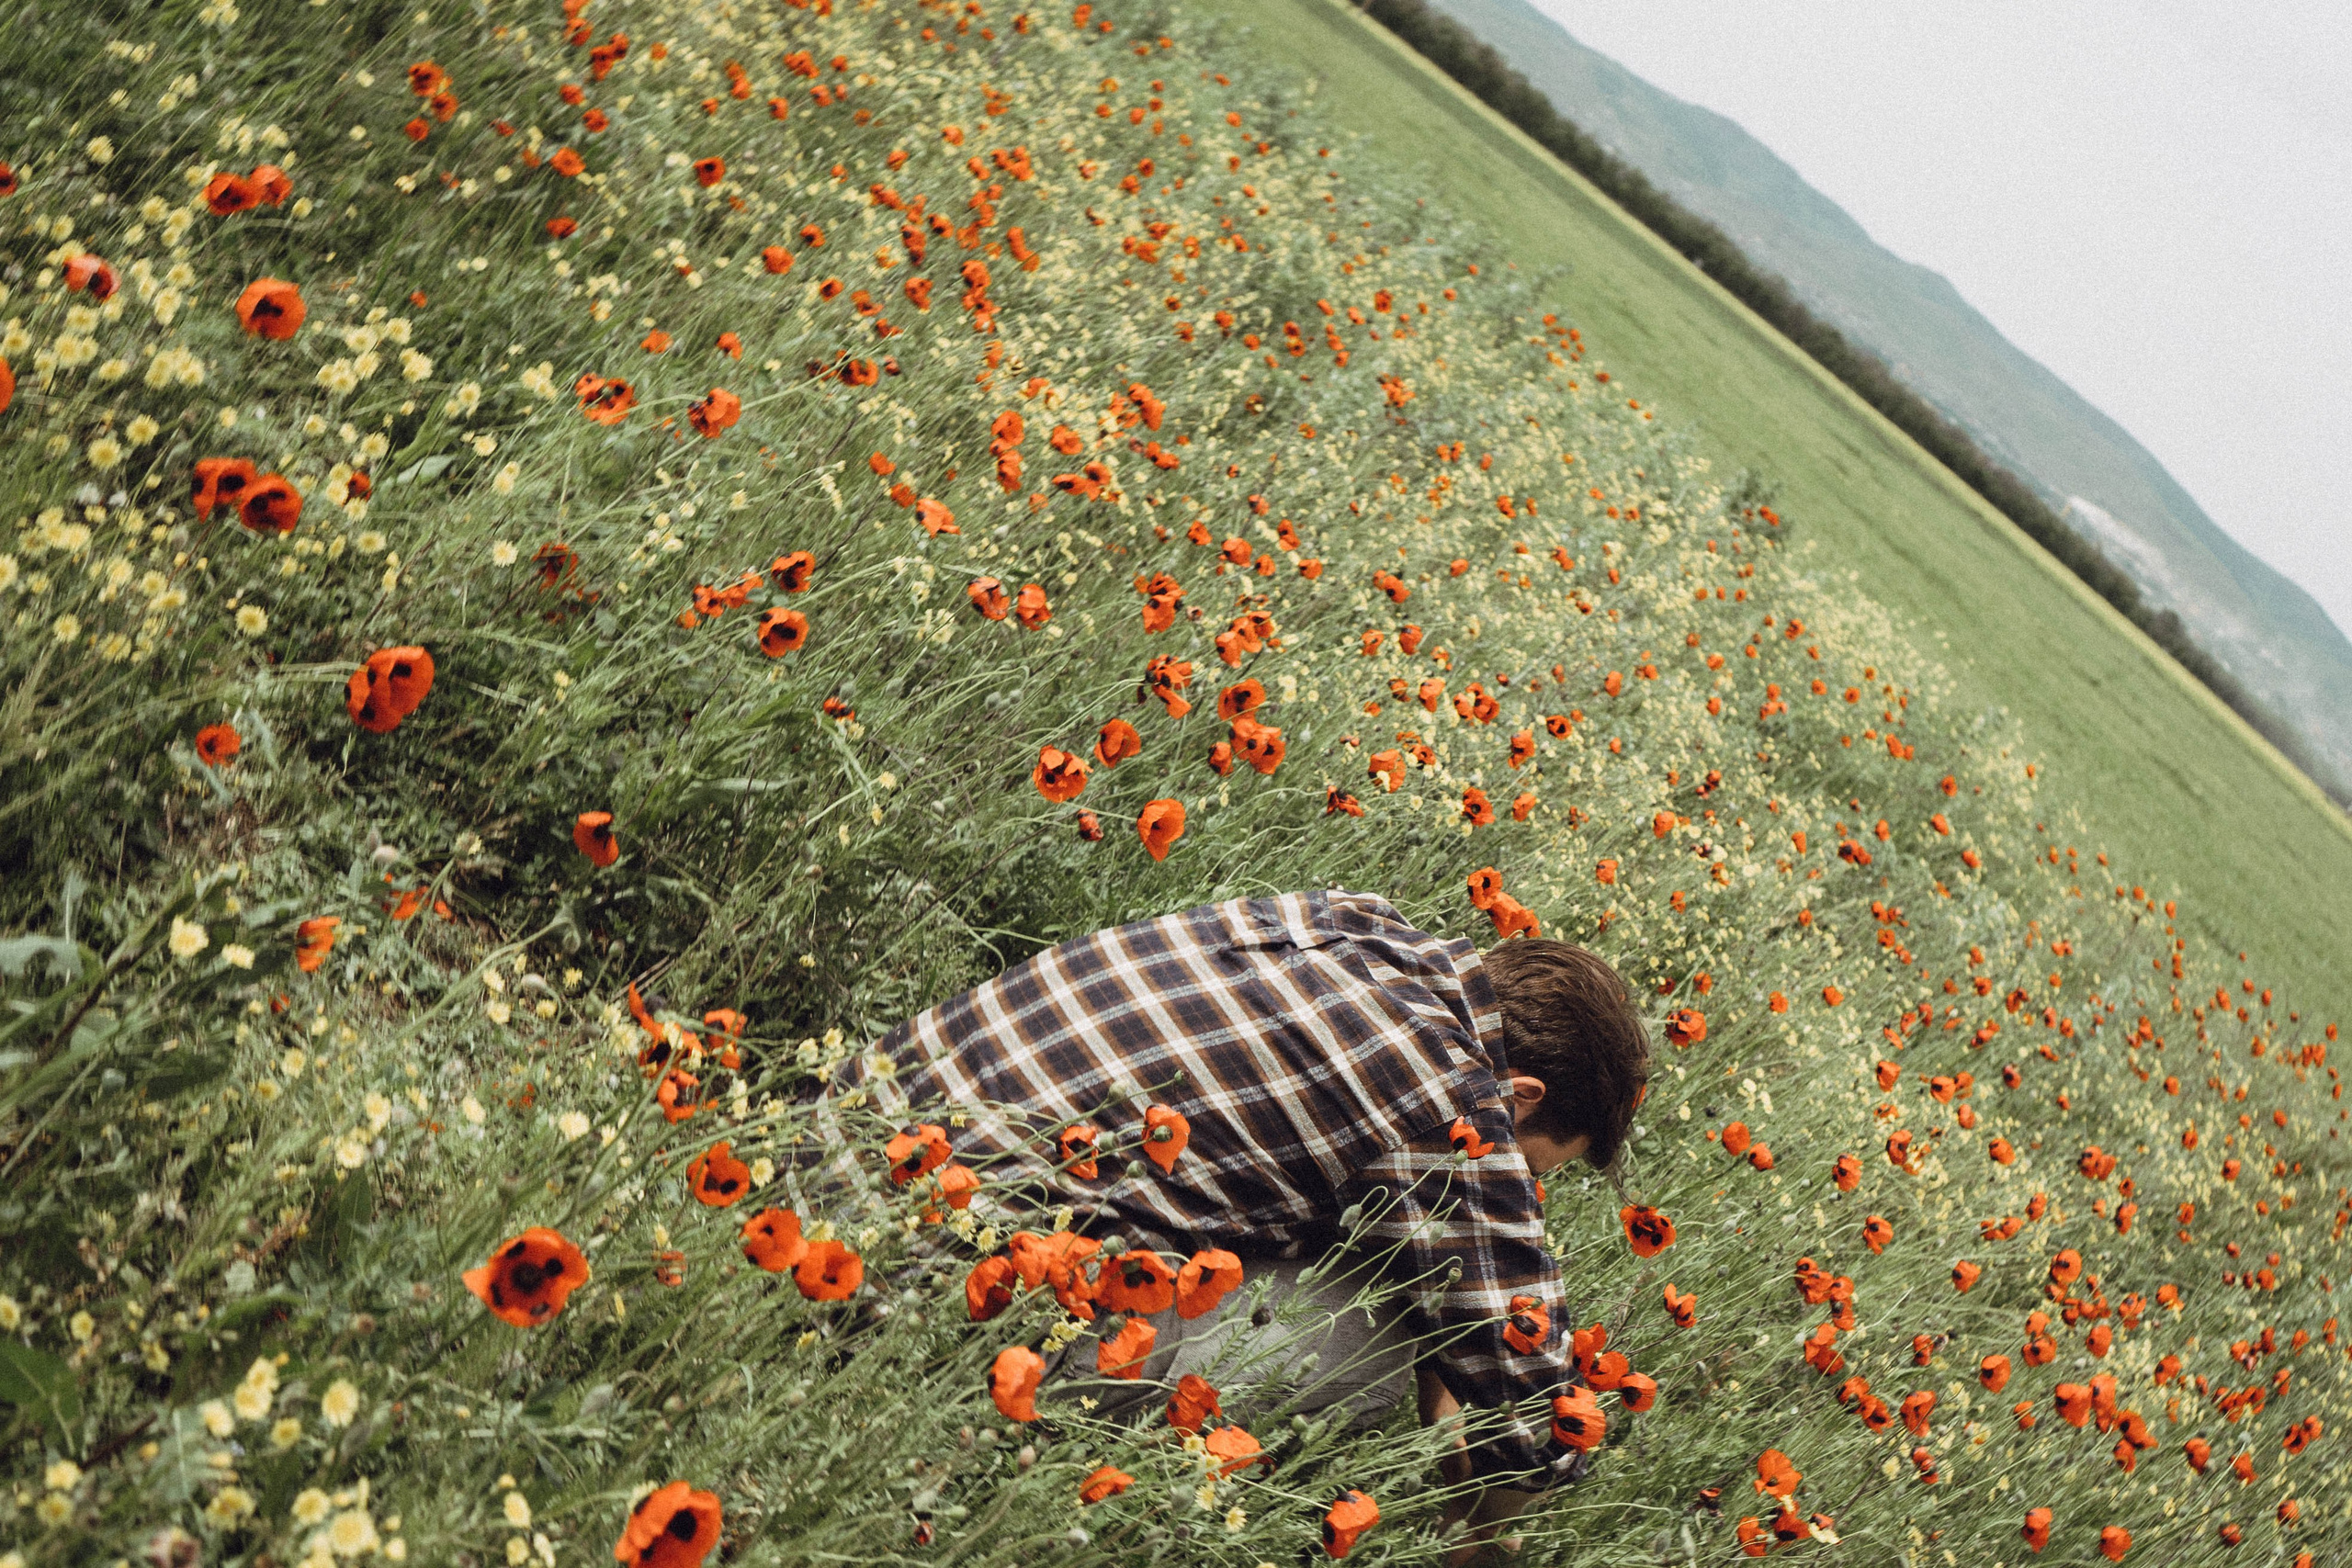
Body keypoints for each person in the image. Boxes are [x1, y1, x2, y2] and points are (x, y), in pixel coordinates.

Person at [843, 887, 1649, 1548]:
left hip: (840, 1153)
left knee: (1393, 1262)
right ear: (1521, 1098)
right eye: (1529, 1163)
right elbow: (1545, 1426)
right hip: (930, 1293)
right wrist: (1486, 1530)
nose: (1519, 1179)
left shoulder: (1358, 925)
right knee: (1373, 1345)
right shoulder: (1451, 1098)